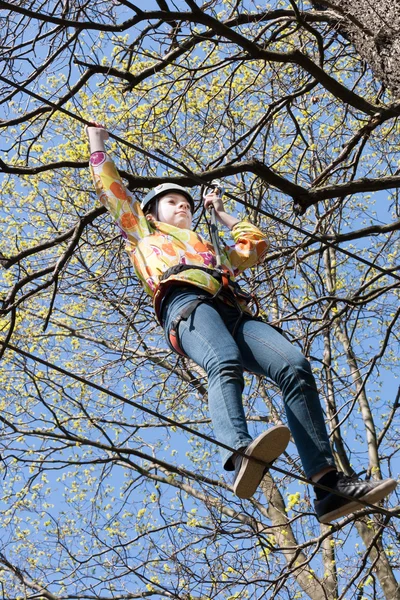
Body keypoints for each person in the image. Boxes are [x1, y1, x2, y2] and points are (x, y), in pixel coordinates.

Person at [86, 125, 396, 523]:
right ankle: (239, 448)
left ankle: (328, 485)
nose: (183, 206)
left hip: (233, 309)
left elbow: (255, 245)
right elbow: (110, 186)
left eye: (186, 202)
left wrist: (219, 212)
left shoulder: (211, 249)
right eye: (173, 202)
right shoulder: (142, 231)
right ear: (151, 213)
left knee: (295, 367)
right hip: (186, 302)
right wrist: (97, 142)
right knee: (224, 361)